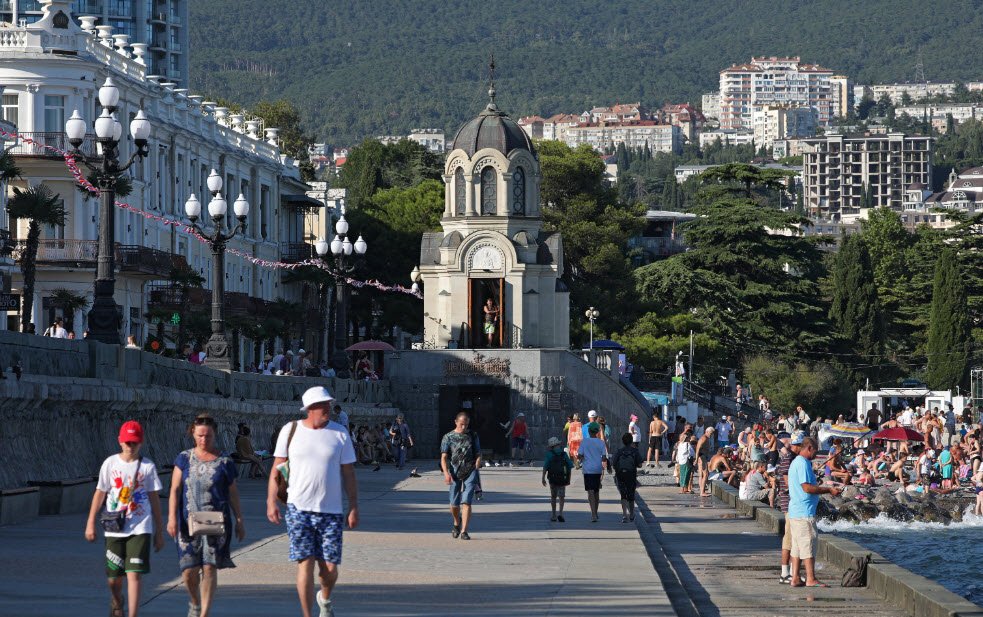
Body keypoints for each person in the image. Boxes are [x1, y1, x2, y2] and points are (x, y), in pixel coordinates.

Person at [267, 386, 358, 617]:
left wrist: (354, 506)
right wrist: (271, 501)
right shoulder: (291, 430)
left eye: (328, 403)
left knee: (329, 570)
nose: (327, 407)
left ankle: (325, 599)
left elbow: (348, 473)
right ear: (309, 408)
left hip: (332, 511)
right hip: (299, 509)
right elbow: (276, 469)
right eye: (322, 404)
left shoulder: (340, 433)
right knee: (305, 563)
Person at [84, 420, 165, 617]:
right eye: (127, 442)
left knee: (134, 574)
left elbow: (154, 499)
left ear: (141, 442)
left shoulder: (147, 466)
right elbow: (100, 493)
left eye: (134, 442)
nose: (130, 446)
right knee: (114, 578)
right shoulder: (110, 463)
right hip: (114, 526)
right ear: (120, 441)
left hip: (140, 527)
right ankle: (117, 599)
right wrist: (90, 524)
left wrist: (159, 530)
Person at [168, 415, 245, 617]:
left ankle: (204, 614)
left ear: (215, 434)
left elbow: (233, 492)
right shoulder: (184, 458)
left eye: (208, 436)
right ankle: (195, 602)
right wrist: (171, 518)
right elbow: (175, 489)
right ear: (193, 433)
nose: (204, 440)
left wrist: (239, 519)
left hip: (215, 520)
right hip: (187, 520)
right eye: (200, 435)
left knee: (209, 568)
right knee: (188, 570)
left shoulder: (225, 461)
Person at [788, 437, 841, 588]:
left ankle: (796, 577)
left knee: (797, 547)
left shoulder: (797, 462)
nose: (816, 454)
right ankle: (810, 579)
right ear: (809, 448)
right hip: (804, 512)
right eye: (815, 451)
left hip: (795, 511)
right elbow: (807, 488)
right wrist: (828, 489)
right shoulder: (802, 463)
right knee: (809, 543)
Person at [440, 412, 481, 539]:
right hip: (454, 472)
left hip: (470, 470)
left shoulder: (473, 435)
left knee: (467, 501)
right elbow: (444, 457)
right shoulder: (448, 437)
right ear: (456, 422)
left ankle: (464, 531)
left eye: (466, 424)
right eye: (462, 424)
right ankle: (457, 522)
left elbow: (479, 452)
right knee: (454, 504)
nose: (464, 427)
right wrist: (446, 474)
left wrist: (478, 461)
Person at [777, 431, 802, 584]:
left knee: (793, 538)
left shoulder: (793, 458)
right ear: (796, 445)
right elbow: (787, 483)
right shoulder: (789, 458)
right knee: (789, 538)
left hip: (790, 502)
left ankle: (792, 573)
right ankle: (785, 573)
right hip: (789, 502)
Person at [578, 423, 608, 522]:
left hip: (587, 469)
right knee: (596, 491)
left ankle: (593, 514)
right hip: (598, 469)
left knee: (590, 491)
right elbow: (604, 457)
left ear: (589, 431)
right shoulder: (601, 442)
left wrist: (583, 458)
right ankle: (596, 512)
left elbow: (579, 455)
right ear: (597, 432)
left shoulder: (584, 442)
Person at [612, 433, 644, 522]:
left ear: (623, 441)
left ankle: (624, 515)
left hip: (621, 474)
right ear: (631, 441)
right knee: (631, 494)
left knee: (623, 495)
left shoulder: (619, 451)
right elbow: (640, 465)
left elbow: (614, 464)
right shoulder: (635, 451)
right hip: (631, 475)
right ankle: (632, 514)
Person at [541, 436, 573, 522]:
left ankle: (554, 515)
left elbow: (545, 467)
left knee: (553, 497)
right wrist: (568, 477)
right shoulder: (564, 454)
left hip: (552, 479)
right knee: (561, 497)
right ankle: (561, 513)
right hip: (562, 479)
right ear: (558, 444)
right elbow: (570, 465)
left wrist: (543, 478)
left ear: (551, 446)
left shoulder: (549, 454)